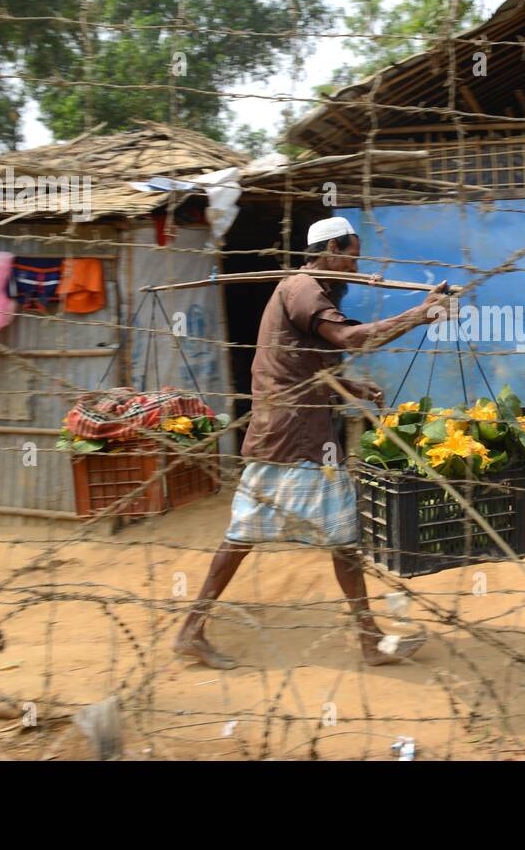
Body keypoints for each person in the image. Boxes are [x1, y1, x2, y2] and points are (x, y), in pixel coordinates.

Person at [174, 216, 449, 669]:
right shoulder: (302, 288)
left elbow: (303, 364)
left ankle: (366, 638)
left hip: (298, 434)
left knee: (335, 536)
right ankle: (192, 629)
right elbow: (348, 338)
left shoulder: (309, 292)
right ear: (331, 249)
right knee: (252, 534)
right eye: (352, 257)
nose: (355, 268)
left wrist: (350, 387)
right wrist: (421, 313)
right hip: (289, 438)